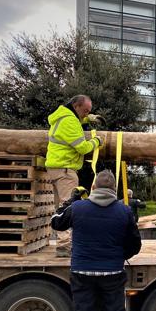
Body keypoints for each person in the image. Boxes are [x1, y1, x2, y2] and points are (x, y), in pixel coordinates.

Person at [51, 170, 140, 311]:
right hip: (113, 273)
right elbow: (135, 245)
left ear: (92, 188)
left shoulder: (78, 208)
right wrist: (119, 256)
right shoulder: (124, 211)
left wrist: (68, 202)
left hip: (82, 273)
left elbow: (56, 222)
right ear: (114, 190)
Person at [46, 94, 104, 257]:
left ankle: (63, 244)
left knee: (61, 207)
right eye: (85, 110)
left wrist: (90, 118)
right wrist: (97, 141)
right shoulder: (69, 121)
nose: (86, 114)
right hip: (65, 168)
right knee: (69, 207)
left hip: (57, 166)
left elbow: (77, 122)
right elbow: (83, 148)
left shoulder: (63, 116)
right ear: (76, 106)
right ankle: (65, 246)